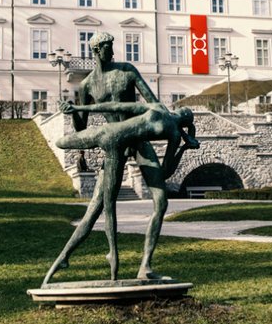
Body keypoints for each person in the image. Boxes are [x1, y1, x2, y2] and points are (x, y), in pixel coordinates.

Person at [43, 32, 181, 285]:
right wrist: (72, 111)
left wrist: (172, 126)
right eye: (108, 47)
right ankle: (62, 259)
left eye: (112, 46)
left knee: (160, 201)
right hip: (113, 145)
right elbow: (81, 129)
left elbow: (153, 104)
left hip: (137, 138)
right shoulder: (87, 86)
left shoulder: (127, 71)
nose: (113, 51)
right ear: (97, 50)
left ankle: (146, 266)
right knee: (94, 210)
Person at [43, 101, 198, 285]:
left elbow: (118, 106)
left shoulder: (157, 108)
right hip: (114, 145)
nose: (184, 111)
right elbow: (165, 172)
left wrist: (79, 108)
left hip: (106, 132)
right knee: (106, 210)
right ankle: (108, 257)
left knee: (98, 207)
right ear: (186, 123)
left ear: (180, 113)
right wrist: (184, 147)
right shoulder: (173, 131)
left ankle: (66, 260)